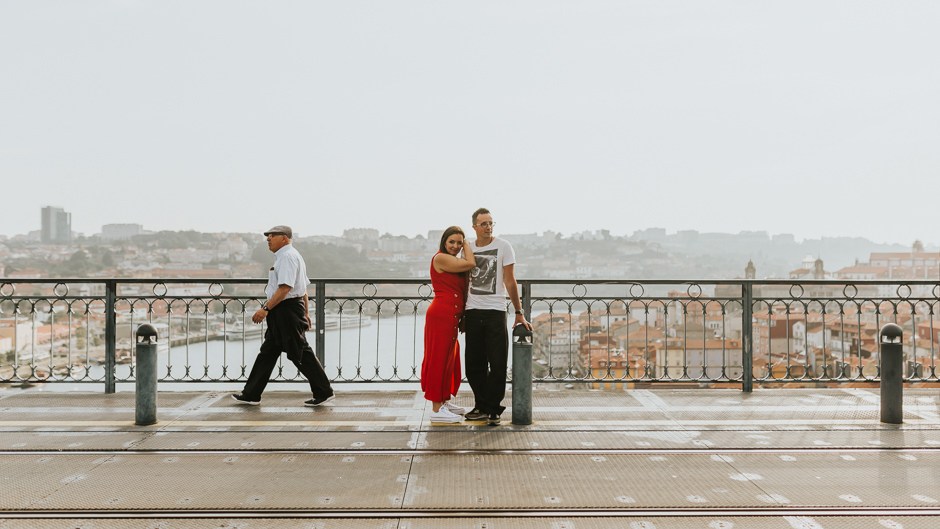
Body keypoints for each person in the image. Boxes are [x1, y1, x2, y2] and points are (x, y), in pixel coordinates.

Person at [232, 225, 334, 407]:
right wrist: (306, 313)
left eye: (272, 236)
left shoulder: (287, 257)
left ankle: (324, 391)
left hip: (285, 310)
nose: (268, 239)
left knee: (300, 352)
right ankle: (251, 394)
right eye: (267, 237)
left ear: (285, 238)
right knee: (268, 352)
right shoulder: (290, 256)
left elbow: (285, 288)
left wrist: (265, 309)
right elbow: (303, 289)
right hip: (286, 310)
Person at [463, 208, 531, 425]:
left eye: (491, 223)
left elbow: (510, 281)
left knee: (498, 362)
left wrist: (519, 313)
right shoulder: (469, 248)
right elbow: (463, 281)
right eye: (483, 223)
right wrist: (461, 313)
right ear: (474, 226)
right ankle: (480, 405)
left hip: (495, 312)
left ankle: (493, 409)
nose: (488, 227)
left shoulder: (503, 246)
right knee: (474, 363)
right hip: (472, 311)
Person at [422, 226, 476, 423]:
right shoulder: (441, 258)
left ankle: (443, 401)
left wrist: (461, 317)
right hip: (441, 315)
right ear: (444, 242)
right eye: (451, 242)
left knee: (448, 360)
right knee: (438, 359)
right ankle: (436, 410)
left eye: (459, 243)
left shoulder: (452, 260)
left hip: (451, 316)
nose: (455, 246)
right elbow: (470, 262)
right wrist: (468, 243)